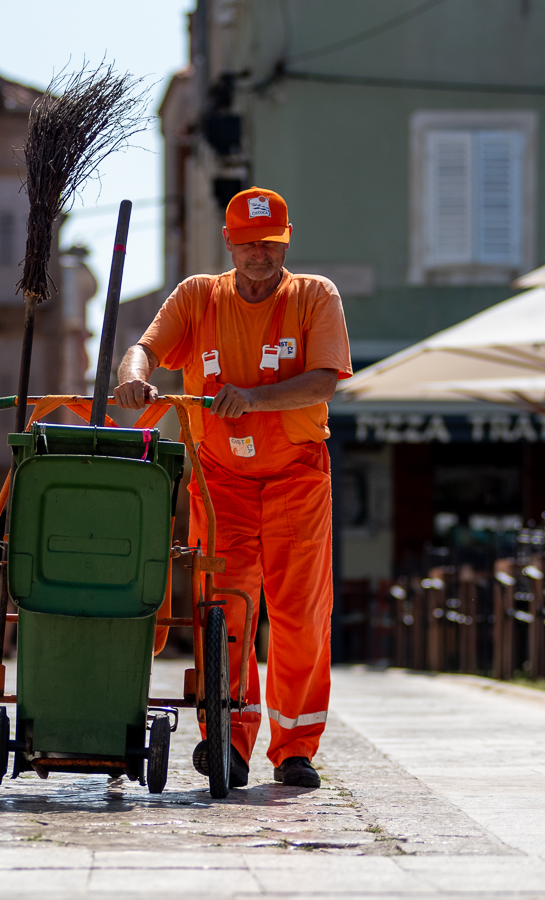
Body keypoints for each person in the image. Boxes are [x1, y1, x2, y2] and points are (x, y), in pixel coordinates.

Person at [113, 187, 351, 789]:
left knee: (300, 615)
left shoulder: (315, 296)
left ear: (285, 242)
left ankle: (295, 748)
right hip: (220, 480)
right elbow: (143, 350)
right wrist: (135, 378)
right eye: (247, 243)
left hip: (297, 476)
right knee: (224, 611)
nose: (257, 254)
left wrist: (254, 399)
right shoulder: (198, 296)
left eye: (268, 243)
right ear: (229, 242)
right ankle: (229, 740)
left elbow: (323, 381)